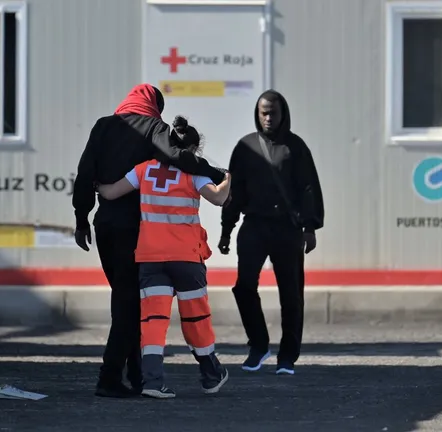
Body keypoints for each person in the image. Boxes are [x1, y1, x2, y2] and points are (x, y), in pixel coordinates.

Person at [72, 84, 226, 398]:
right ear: (155, 105)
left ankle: (137, 376)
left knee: (126, 300)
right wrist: (215, 173)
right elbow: (176, 156)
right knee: (129, 305)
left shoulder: (103, 126)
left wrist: (81, 217)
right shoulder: (155, 127)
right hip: (134, 229)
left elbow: (85, 171)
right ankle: (109, 377)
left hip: (105, 225)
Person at [219, 89, 325, 376]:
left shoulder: (296, 147)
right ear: (257, 114)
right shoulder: (245, 147)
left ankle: (287, 356)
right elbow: (234, 193)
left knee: (291, 293)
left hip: (287, 228)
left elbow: (308, 187)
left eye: (272, 113)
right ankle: (258, 345)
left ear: (283, 114)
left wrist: (310, 227)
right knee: (243, 287)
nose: (267, 118)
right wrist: (226, 230)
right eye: (263, 113)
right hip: (254, 225)